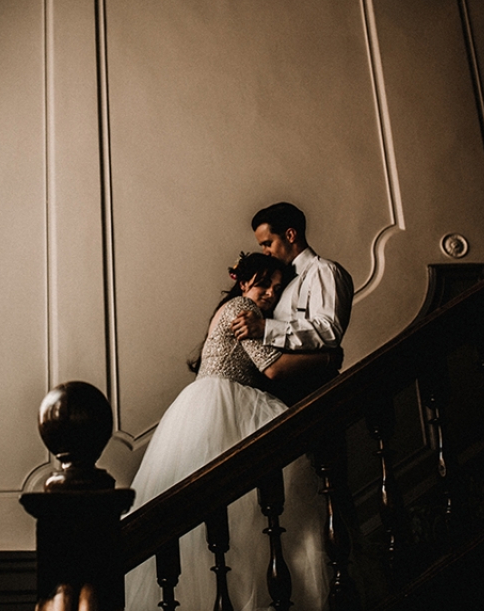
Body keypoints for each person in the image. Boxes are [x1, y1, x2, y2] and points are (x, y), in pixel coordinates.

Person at [125, 253, 336, 611]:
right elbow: (272, 371)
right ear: (243, 282)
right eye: (263, 283)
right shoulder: (243, 309)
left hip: (208, 402)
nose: (270, 293)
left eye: (276, 287)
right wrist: (328, 358)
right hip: (224, 403)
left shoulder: (236, 309)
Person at [232, 202, 354, 404]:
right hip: (280, 391)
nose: (265, 252)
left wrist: (266, 328)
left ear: (290, 235)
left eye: (267, 244)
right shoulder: (279, 281)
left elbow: (328, 330)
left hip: (314, 389)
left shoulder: (324, 272)